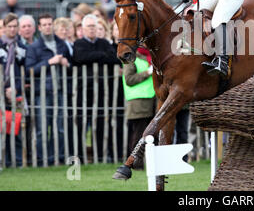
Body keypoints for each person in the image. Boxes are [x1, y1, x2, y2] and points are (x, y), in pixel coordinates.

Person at [72, 14, 121, 162]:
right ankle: (79, 156)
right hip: (83, 90)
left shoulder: (104, 42)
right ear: (83, 28)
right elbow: (80, 57)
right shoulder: (79, 43)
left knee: (100, 124)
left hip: (102, 91)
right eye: (89, 27)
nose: (92, 29)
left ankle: (99, 155)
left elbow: (113, 58)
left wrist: (94, 56)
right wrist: (101, 55)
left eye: (94, 26)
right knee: (82, 125)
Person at [25, 13, 71, 165]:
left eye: (49, 24)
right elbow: (30, 70)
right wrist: (49, 61)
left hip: (60, 91)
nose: (47, 27)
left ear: (53, 25)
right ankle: (42, 159)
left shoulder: (61, 44)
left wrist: (66, 63)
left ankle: (58, 158)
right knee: (42, 129)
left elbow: (72, 66)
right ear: (39, 27)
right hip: (42, 93)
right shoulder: (34, 47)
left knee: (60, 129)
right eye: (44, 24)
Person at [0, 13, 27, 167]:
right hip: (1, 92)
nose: (12, 29)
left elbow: (25, 69)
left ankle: (16, 161)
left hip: (17, 92)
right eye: (9, 26)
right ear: (4, 27)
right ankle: (3, 160)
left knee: (16, 127)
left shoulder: (22, 47)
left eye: (14, 26)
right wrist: (4, 89)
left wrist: (17, 89)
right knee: (1, 128)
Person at [122, 47, 156, 159]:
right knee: (139, 135)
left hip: (152, 100)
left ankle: (150, 162)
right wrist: (147, 72)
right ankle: (136, 163)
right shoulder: (131, 58)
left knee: (152, 136)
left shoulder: (152, 56)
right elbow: (129, 80)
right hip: (138, 103)